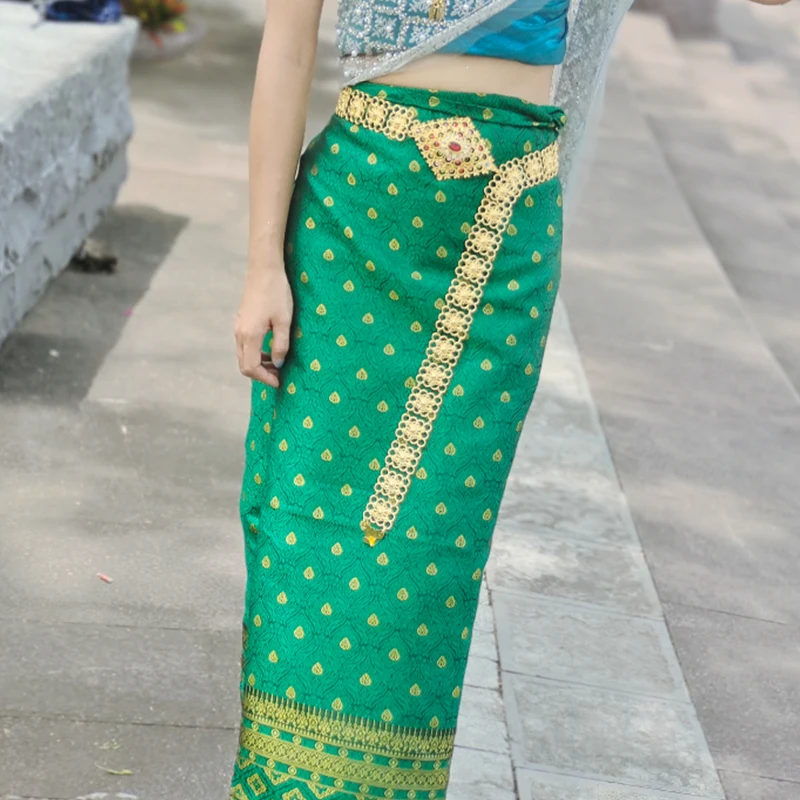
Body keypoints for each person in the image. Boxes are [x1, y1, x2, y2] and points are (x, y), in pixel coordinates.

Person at [231, 1, 791, 799]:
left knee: (427, 566)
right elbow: (286, 48)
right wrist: (261, 267)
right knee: (300, 531)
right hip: (355, 223)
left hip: (499, 234)